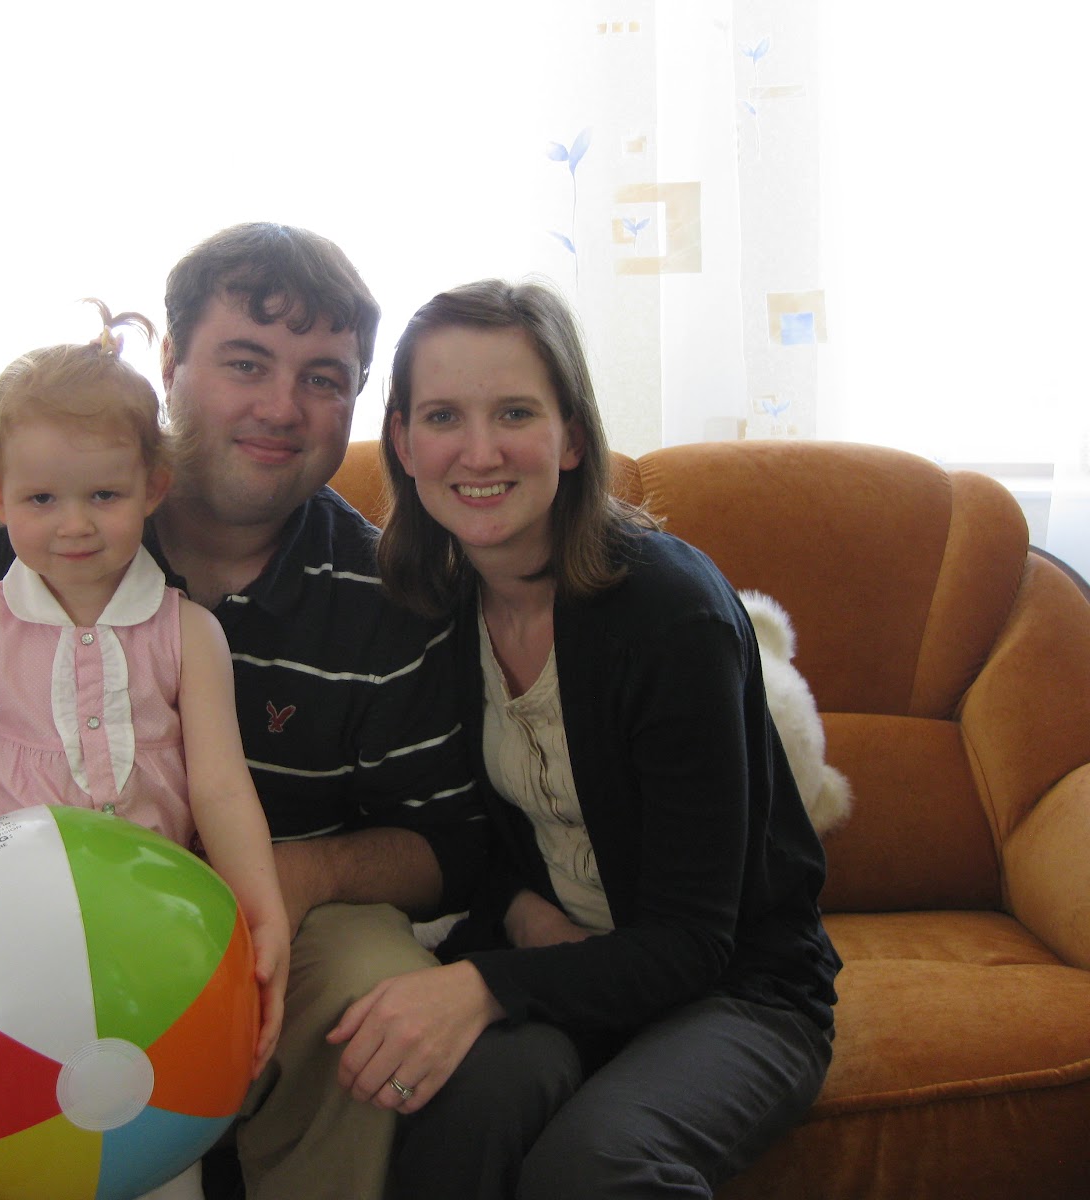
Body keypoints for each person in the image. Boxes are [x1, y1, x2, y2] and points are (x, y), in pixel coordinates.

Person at [0, 224, 486, 1200]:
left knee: (368, 997)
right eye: (246, 362)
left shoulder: (386, 591)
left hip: (265, 912)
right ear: (171, 365)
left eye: (324, 378)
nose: (282, 407)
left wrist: (292, 878)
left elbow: (449, 843)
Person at [327, 279, 841, 1198]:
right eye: (443, 416)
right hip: (557, 965)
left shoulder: (670, 616)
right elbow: (453, 832)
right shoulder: (431, 602)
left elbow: (694, 942)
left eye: (514, 412)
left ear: (570, 435)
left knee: (593, 1161)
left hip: (737, 990)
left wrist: (483, 984)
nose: (479, 450)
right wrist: (523, 915)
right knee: (460, 1109)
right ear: (402, 442)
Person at [0, 299, 290, 1087]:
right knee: (8, 1102)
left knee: (142, 1102)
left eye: (104, 496)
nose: (75, 525)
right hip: (3, 930)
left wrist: (261, 909)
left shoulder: (190, 634)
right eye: (42, 500)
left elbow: (223, 790)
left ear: (153, 488)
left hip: (154, 924)